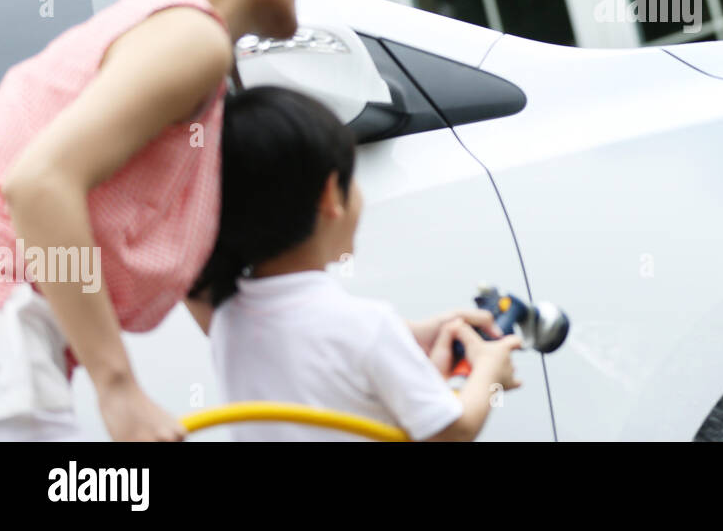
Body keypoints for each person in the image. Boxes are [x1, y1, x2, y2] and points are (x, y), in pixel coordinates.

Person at [0, 0, 312, 441]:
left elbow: (219, 303)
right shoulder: (190, 36)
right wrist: (118, 389)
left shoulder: (163, 38)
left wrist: (403, 346)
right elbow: (37, 183)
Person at [193, 85, 522, 441]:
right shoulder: (370, 326)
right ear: (332, 194)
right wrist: (490, 373)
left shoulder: (227, 317)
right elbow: (450, 432)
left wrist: (410, 335)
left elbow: (306, 337)